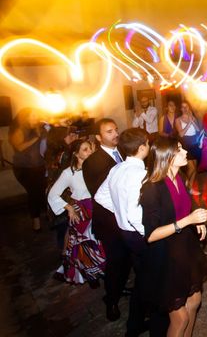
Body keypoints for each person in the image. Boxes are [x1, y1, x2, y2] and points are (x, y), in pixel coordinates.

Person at [139, 136, 207, 337]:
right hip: (166, 256)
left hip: (185, 248)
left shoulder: (178, 176)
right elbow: (151, 235)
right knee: (180, 318)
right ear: (167, 156)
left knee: (194, 301)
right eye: (179, 149)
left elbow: (186, 203)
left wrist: (196, 219)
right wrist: (187, 221)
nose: (185, 152)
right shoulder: (152, 188)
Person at [94, 127, 154, 336]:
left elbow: (101, 197)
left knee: (143, 277)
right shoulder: (140, 174)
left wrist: (118, 211)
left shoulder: (117, 169)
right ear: (141, 148)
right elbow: (134, 213)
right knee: (151, 276)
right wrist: (149, 233)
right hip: (138, 234)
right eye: (147, 143)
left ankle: (136, 321)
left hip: (124, 232)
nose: (149, 146)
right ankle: (142, 322)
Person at [83, 118, 128, 322]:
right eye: (109, 132)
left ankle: (120, 287)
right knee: (115, 262)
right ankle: (111, 300)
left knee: (128, 260)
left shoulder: (124, 153)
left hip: (127, 217)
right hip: (110, 222)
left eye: (116, 129)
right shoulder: (93, 162)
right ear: (99, 137)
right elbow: (99, 194)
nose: (115, 134)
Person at [48, 138, 105, 286]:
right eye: (85, 150)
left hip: (98, 207)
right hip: (83, 212)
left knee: (101, 243)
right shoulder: (69, 173)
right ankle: (90, 274)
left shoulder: (96, 167)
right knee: (86, 246)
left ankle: (100, 271)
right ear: (76, 154)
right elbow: (52, 194)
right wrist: (69, 208)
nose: (90, 152)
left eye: (91, 148)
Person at [9, 108, 47, 231]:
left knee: (42, 191)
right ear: (25, 117)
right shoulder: (20, 129)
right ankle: (36, 221)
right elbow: (19, 147)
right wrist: (36, 138)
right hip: (24, 168)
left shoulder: (38, 127)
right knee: (33, 193)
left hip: (38, 166)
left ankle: (46, 213)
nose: (36, 117)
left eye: (37, 114)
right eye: (33, 115)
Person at [175, 100, 202, 193]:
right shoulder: (178, 120)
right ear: (181, 109)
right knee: (192, 168)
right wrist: (189, 123)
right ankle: (183, 184)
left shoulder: (192, 117)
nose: (185, 109)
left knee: (195, 168)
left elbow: (198, 129)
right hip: (186, 144)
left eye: (187, 106)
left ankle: (189, 187)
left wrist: (192, 120)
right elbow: (181, 134)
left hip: (194, 143)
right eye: (183, 107)